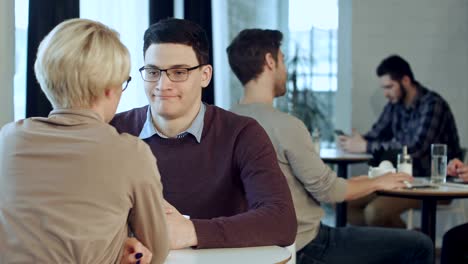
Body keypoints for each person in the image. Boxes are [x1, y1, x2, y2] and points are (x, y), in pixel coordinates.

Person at [227, 28, 433, 264]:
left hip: (258, 247)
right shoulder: (285, 125)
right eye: (282, 60)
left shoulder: (225, 122)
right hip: (307, 245)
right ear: (270, 61)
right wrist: (378, 181)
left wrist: (367, 181)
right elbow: (330, 192)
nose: (285, 69)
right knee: (420, 245)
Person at [110, 18, 296, 250]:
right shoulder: (113, 131)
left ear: (205, 75)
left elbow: (281, 222)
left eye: (179, 72)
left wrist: (190, 231)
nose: (162, 84)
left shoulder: (242, 133)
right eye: (153, 71)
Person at [0, 19, 169, 264]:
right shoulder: (130, 153)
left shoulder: (7, 140)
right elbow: (156, 251)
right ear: (110, 89)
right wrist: (117, 246)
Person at [340, 54, 462, 228]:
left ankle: (411, 245)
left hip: (429, 183)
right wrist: (357, 140)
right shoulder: (395, 105)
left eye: (389, 87)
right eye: (383, 88)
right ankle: (406, 242)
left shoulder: (433, 104)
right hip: (400, 180)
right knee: (343, 202)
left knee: (375, 212)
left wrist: (365, 145)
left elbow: (416, 147)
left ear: (405, 80)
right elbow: (376, 134)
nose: (385, 93)